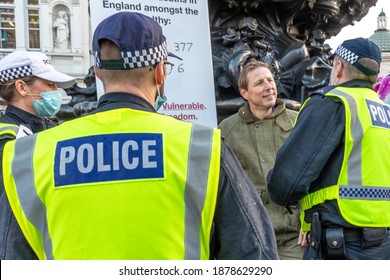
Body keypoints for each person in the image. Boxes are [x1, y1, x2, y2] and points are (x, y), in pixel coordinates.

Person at [1, 11, 278, 260]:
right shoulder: (202, 148)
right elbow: (254, 255)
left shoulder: (28, 157)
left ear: (97, 72)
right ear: (160, 72)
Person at [267, 37, 390, 260]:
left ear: (339, 67)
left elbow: (286, 183)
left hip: (343, 246)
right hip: (382, 243)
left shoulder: (333, 102)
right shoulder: (384, 110)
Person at [218, 60, 304, 259]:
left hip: (294, 238)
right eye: (259, 83)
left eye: (270, 80)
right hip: (250, 240)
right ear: (244, 93)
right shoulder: (227, 129)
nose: (269, 87)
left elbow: (315, 178)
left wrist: (309, 221)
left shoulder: (298, 122)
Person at [0, 51, 75, 259]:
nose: (56, 90)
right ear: (22, 88)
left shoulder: (46, 130)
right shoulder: (7, 138)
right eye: (50, 84)